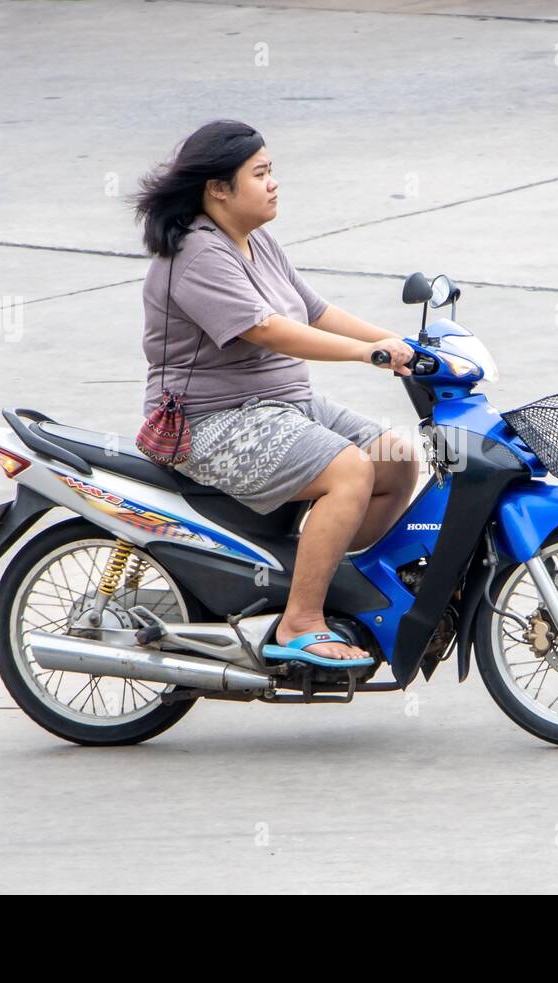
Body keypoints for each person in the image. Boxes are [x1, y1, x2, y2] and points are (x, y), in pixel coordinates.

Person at [132, 119, 418, 664]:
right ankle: (300, 621)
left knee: (397, 459)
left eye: (271, 171)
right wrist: (365, 354)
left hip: (281, 404)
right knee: (351, 470)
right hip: (211, 420)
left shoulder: (256, 240)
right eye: (260, 174)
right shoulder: (197, 255)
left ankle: (334, 588)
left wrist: (392, 340)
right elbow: (265, 328)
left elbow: (313, 310)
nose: (274, 183)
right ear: (218, 188)